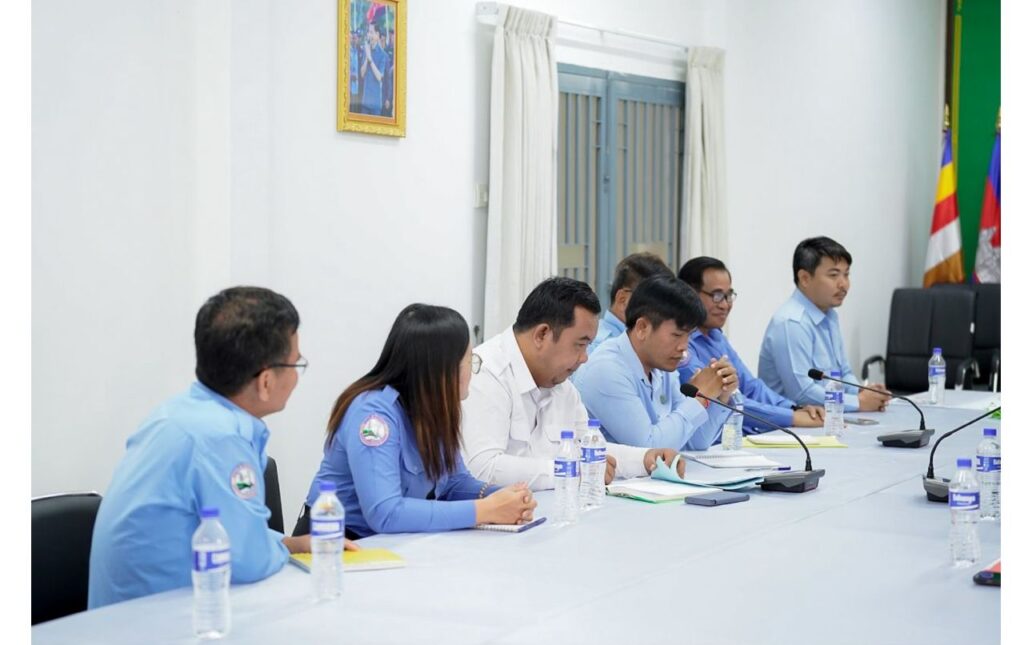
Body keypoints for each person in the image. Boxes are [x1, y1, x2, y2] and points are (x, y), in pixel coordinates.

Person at [88, 287, 355, 609]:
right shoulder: (220, 438)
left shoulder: (180, 414)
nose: (298, 377)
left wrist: (289, 543)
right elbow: (248, 561)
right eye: (296, 365)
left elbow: (231, 534)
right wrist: (278, 549)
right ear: (266, 381)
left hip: (143, 612)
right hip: (161, 620)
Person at [297, 304, 537, 538]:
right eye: (471, 361)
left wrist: (505, 497)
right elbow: (385, 513)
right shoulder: (373, 417)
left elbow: (454, 483)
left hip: (391, 543)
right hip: (335, 543)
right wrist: (485, 510)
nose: (472, 372)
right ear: (443, 369)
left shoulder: (432, 408)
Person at [462, 277, 688, 491]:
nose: (584, 358)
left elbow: (589, 449)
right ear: (542, 335)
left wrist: (646, 459)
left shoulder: (561, 384)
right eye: (580, 345)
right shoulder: (485, 373)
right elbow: (483, 468)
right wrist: (571, 471)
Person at [575, 275, 738, 450]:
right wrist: (700, 397)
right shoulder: (607, 370)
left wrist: (720, 396)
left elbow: (695, 442)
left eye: (688, 335)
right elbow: (650, 448)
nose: (684, 347)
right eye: (676, 335)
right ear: (642, 328)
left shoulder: (662, 367)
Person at [677, 257, 825, 432]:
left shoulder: (715, 336)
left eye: (728, 295)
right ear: (690, 294)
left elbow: (752, 387)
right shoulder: (681, 346)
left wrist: (794, 408)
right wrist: (792, 417)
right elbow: (727, 402)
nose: (725, 304)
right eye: (717, 296)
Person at [758, 236, 891, 412]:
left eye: (846, 274)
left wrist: (863, 392)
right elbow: (802, 393)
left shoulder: (829, 316)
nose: (844, 284)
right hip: (790, 424)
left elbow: (843, 373)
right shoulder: (791, 323)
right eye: (834, 275)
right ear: (805, 278)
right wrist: (858, 402)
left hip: (826, 418)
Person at [588, 252, 674, 354]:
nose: (663, 313)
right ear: (623, 300)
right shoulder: (597, 347)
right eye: (654, 303)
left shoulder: (651, 341)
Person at [359, 16, 389, 116]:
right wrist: (367, 57)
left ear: (377, 35)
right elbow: (362, 74)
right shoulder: (366, 50)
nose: (369, 35)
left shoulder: (382, 54)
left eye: (371, 32)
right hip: (365, 102)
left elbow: (379, 77)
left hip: (376, 105)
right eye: (368, 32)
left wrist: (370, 59)